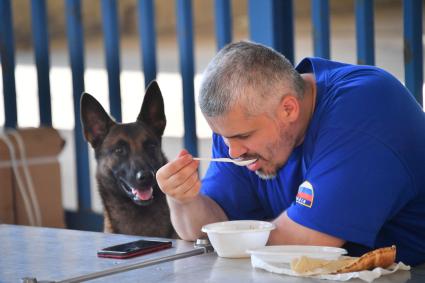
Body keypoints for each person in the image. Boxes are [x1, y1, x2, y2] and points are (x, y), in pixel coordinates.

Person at [156, 41, 425, 266]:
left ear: (288, 109)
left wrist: (229, 237)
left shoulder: (365, 111)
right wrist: (183, 199)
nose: (233, 152)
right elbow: (206, 231)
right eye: (224, 137)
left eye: (243, 136)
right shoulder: (240, 125)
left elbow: (298, 245)